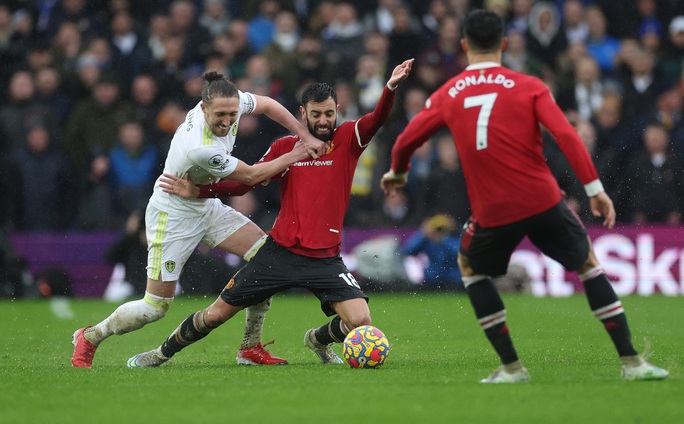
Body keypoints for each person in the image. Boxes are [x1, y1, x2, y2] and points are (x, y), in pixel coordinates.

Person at [380, 10, 668, 383]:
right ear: (502, 44)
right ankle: (632, 363)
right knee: (588, 266)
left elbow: (405, 141)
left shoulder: (448, 93)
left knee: (471, 269)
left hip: (492, 211)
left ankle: (512, 368)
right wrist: (595, 190)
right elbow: (566, 135)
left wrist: (398, 172)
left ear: (465, 46)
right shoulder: (529, 85)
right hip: (543, 200)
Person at [124, 58, 414, 368]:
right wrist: (201, 192)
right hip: (280, 252)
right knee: (215, 315)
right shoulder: (285, 148)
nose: (324, 120)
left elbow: (378, 118)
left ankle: (317, 338)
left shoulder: (348, 139)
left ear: (337, 111)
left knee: (361, 320)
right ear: (303, 114)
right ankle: (160, 354)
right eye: (316, 114)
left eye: (329, 113)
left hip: (325, 258)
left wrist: (390, 88)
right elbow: (244, 184)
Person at [71, 70, 327, 369]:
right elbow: (251, 175)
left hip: (205, 204)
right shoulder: (199, 147)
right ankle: (90, 336)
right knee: (155, 307)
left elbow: (269, 105)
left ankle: (250, 347)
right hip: (173, 215)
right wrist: (298, 151)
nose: (228, 121)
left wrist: (304, 133)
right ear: (203, 109)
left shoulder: (230, 103)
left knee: (267, 260)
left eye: (233, 114)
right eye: (220, 115)